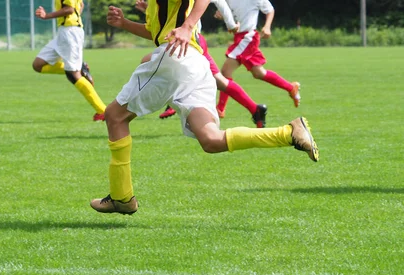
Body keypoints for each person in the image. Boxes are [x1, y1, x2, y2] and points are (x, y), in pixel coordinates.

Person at [90, 1, 319, 215]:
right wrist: (125, 24)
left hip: (175, 57)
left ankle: (122, 197)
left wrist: (187, 26)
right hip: (195, 65)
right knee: (211, 140)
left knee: (115, 117)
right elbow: (156, 33)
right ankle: (289, 133)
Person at [136, 0, 268, 128]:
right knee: (220, 82)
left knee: (151, 62)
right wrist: (149, 8)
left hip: (190, 41)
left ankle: (174, 102)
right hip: (190, 41)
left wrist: (231, 25)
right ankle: (255, 109)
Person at [216, 0, 301, 118]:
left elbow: (270, 10)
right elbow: (227, 11)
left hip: (248, 37)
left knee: (226, 71)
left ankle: (220, 109)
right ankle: (291, 88)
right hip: (240, 37)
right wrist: (222, 14)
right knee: (259, 73)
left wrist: (267, 27)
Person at [32, 0, 106, 121]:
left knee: (73, 75)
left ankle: (103, 111)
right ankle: (80, 69)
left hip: (71, 33)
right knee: (38, 65)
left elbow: (69, 9)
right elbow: (80, 5)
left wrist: (47, 15)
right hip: (65, 32)